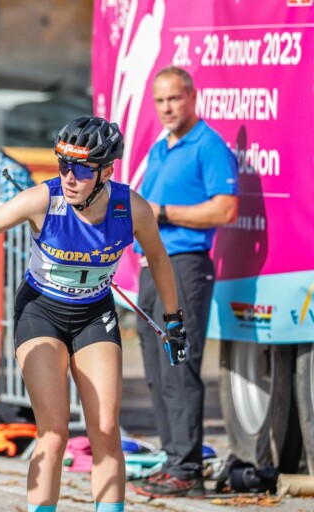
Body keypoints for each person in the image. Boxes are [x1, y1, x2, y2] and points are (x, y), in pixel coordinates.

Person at [0, 116, 190, 512]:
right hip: (41, 312)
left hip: (94, 315)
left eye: (82, 169)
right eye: (63, 165)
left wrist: (173, 320)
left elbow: (157, 257)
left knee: (106, 430)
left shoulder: (130, 207)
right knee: (53, 433)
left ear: (106, 172)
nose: (69, 177)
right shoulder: (44, 199)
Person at [129, 66, 238, 498]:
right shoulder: (161, 147)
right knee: (156, 369)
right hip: (151, 265)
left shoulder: (208, 145)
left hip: (185, 265)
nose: (167, 108)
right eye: (159, 101)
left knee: (178, 363)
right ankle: (172, 460)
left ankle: (187, 469)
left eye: (174, 98)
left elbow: (224, 209)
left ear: (192, 97)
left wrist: (165, 212)